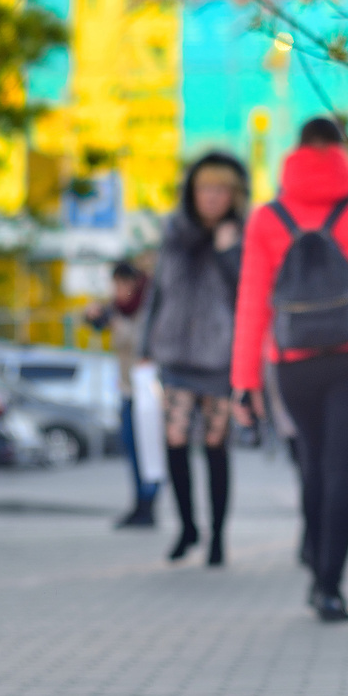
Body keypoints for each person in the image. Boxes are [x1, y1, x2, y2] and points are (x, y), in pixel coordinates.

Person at [231, 117, 348, 623]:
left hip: (293, 363)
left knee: (312, 465)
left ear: (297, 151)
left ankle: (315, 560)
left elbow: (251, 302)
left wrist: (244, 382)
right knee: (342, 470)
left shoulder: (267, 218)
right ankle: (329, 586)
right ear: (342, 152)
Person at [144, 153, 249, 566]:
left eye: (221, 189)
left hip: (219, 357)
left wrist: (226, 252)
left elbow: (248, 293)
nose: (212, 197)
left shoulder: (240, 236)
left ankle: (218, 536)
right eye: (205, 188)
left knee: (215, 444)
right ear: (193, 192)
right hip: (175, 353)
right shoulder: (174, 233)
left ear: (233, 194)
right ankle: (187, 526)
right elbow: (158, 292)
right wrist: (147, 346)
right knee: (173, 438)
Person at [88, 258, 161, 529]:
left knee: (149, 450)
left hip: (149, 392)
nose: (117, 291)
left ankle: (149, 504)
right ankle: (139, 504)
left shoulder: (149, 307)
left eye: (121, 284)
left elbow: (140, 342)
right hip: (128, 389)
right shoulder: (118, 309)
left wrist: (116, 324)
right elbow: (97, 324)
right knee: (132, 450)